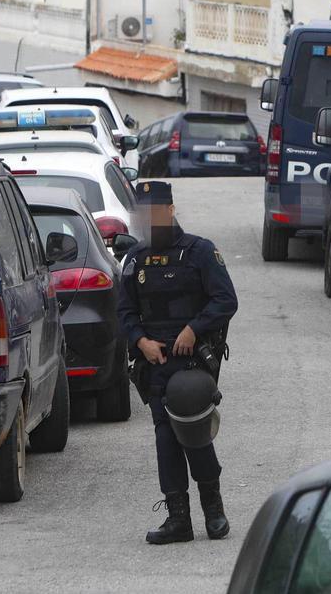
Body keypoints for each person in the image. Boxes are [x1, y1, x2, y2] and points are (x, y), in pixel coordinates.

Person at [117, 181, 238, 545]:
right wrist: (140, 341)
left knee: (194, 433)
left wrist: (193, 330)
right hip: (155, 363)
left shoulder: (200, 252)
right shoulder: (135, 259)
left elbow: (225, 300)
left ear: (170, 211)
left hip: (191, 363)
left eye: (156, 213)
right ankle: (178, 519)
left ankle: (214, 513)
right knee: (165, 439)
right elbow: (123, 311)